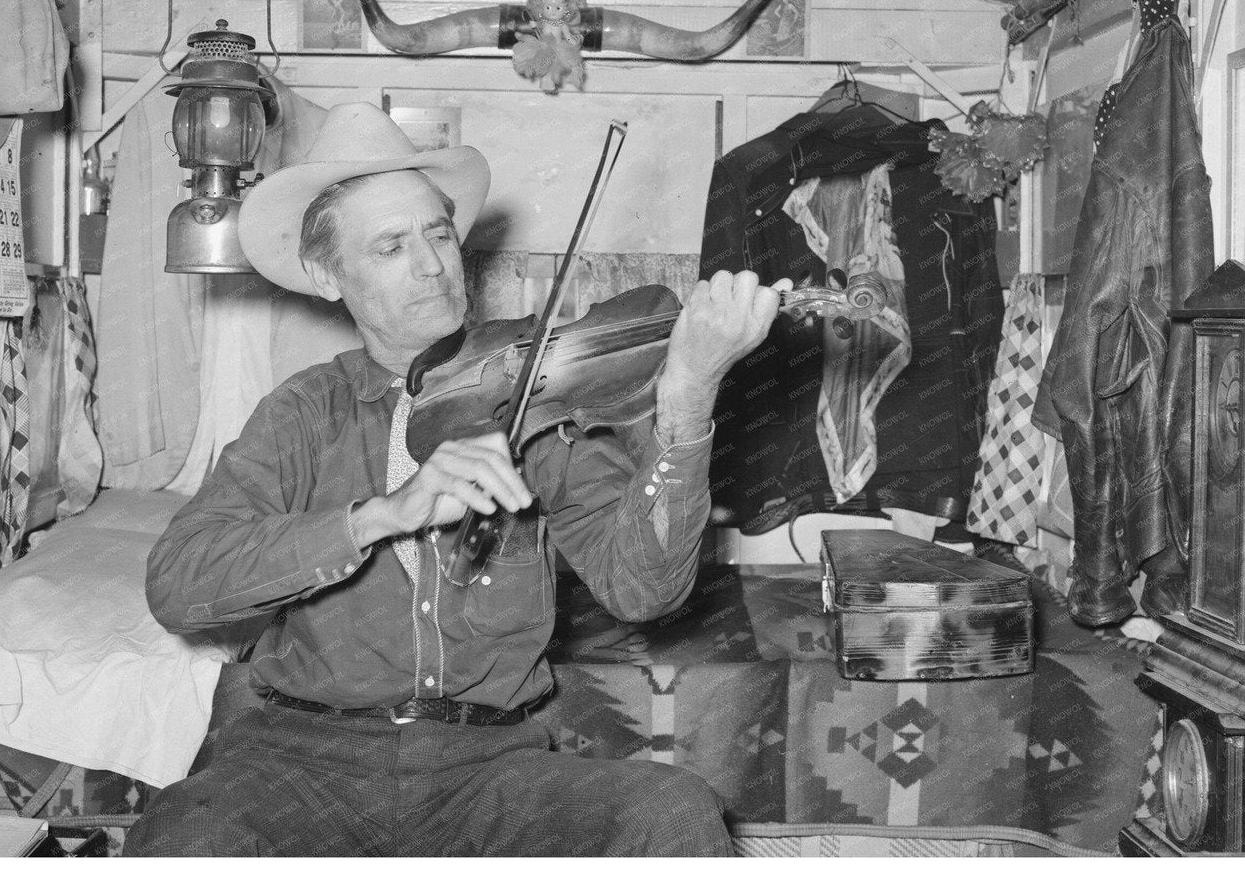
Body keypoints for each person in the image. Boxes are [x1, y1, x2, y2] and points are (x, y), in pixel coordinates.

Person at [125, 102, 787, 857]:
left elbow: (646, 588)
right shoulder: (304, 415)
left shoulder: (535, 398)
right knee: (180, 836)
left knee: (673, 811)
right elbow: (176, 582)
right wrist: (378, 515)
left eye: (438, 233)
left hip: (490, 769)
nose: (433, 264)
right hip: (300, 763)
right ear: (326, 274)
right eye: (391, 246)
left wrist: (686, 401)